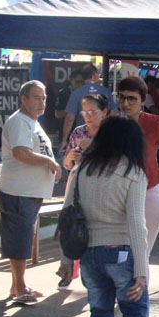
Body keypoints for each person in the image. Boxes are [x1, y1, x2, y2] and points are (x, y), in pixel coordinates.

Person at [44, 116, 151, 317]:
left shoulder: (83, 169)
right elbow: (137, 225)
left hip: (89, 256)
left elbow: (68, 215)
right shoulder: (133, 173)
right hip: (121, 254)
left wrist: (67, 260)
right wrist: (141, 271)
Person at [0, 81, 61, 304]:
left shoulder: (32, 122)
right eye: (36, 97)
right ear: (23, 99)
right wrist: (48, 161)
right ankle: (21, 287)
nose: (41, 102)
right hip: (18, 192)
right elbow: (21, 153)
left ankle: (18, 285)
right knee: (19, 241)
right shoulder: (19, 122)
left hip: (29, 193)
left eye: (44, 98)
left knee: (22, 239)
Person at [117, 76, 159, 254]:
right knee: (125, 257)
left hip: (148, 195)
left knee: (137, 256)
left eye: (132, 98)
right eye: (122, 97)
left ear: (143, 100)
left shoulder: (153, 123)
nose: (126, 103)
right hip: (119, 197)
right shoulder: (113, 124)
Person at [56, 92, 110, 288]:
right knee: (69, 222)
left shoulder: (111, 132)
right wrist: (72, 155)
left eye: (92, 112)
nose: (88, 116)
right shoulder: (79, 132)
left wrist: (93, 148)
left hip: (102, 187)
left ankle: (95, 271)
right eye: (84, 112)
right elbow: (67, 164)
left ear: (104, 112)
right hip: (77, 184)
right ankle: (66, 267)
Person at [60, 64, 113, 152]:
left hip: (81, 137)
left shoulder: (76, 93)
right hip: (104, 136)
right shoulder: (105, 92)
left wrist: (64, 140)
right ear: (94, 74)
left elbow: (70, 118)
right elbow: (113, 114)